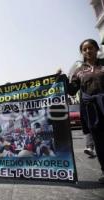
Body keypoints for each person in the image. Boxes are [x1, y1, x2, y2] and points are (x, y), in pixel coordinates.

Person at [62, 39, 104, 183]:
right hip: (92, 111)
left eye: (90, 48)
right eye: (84, 49)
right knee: (99, 142)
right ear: (82, 52)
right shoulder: (79, 71)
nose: (87, 51)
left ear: (97, 49)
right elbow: (72, 91)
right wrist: (62, 79)